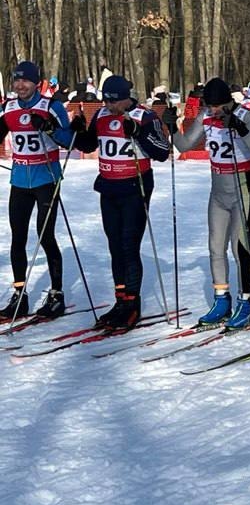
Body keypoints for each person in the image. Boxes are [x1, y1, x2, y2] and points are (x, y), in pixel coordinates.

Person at [70, 75, 170, 329]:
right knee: (114, 244)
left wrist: (137, 133)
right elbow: (89, 143)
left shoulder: (144, 116)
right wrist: (77, 130)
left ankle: (132, 304)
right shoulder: (102, 115)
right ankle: (121, 300)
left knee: (129, 244)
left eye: (114, 102)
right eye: (107, 101)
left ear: (127, 97)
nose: (110, 106)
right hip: (109, 187)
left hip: (135, 186)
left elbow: (162, 152)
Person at [173, 77, 250, 331]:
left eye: (217, 106)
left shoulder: (246, 116)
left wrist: (239, 127)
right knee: (215, 246)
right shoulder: (206, 116)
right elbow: (183, 145)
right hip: (218, 189)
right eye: (210, 105)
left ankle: (246, 302)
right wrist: (171, 126)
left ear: (228, 101)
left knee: (240, 247)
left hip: (245, 187)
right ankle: (221, 299)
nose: (213, 110)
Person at [0, 61, 73, 320]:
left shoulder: (51, 106)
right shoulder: (7, 108)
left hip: (46, 179)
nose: (20, 85)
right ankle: (20, 296)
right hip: (20, 181)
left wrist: (49, 128)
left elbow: (69, 139)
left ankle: (56, 294)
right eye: (16, 80)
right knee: (17, 238)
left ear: (36, 82)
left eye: (25, 81)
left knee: (45, 236)